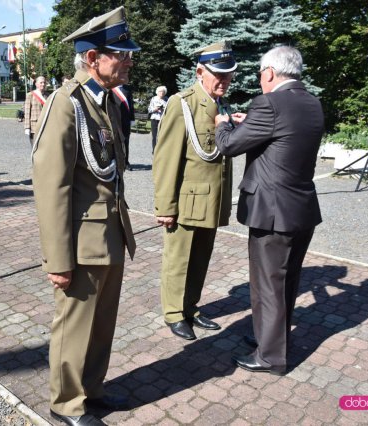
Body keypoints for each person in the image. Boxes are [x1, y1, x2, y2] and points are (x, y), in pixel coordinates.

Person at [32, 7, 139, 426]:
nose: (129, 61)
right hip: (80, 241)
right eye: (121, 54)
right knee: (74, 325)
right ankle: (65, 403)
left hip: (108, 233)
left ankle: (91, 389)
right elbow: (51, 185)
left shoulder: (106, 101)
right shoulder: (66, 104)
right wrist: (58, 260)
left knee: (101, 324)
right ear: (92, 59)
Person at [215, 46, 324, 375]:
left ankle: (270, 357)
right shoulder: (311, 102)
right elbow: (285, 138)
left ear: (269, 74)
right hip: (301, 210)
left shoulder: (269, 103)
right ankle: (272, 339)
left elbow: (228, 146)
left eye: (261, 74)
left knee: (268, 283)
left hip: (272, 212)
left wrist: (223, 123)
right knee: (287, 281)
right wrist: (251, 123)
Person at [152, 41, 236, 341]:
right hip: (187, 202)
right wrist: (165, 207)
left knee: (200, 258)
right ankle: (174, 312)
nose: (225, 81)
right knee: (179, 259)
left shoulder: (221, 104)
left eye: (229, 75)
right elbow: (165, 159)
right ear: (200, 71)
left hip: (211, 201)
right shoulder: (182, 103)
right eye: (219, 75)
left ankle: (190, 306)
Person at [112, 84, 134, 170]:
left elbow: (131, 104)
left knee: (126, 142)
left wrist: (132, 119)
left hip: (125, 120)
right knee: (114, 141)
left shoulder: (127, 88)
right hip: (114, 119)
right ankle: (115, 161)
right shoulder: (110, 88)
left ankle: (126, 162)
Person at [23, 76, 47, 146]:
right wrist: (27, 127)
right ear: (36, 84)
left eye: (44, 82)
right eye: (41, 82)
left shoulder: (48, 95)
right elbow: (27, 112)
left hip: (46, 126)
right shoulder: (30, 95)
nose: (43, 84)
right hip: (34, 127)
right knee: (35, 148)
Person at [147, 86, 167, 153]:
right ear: (157, 92)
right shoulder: (153, 99)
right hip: (154, 119)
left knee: (162, 135)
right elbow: (149, 110)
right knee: (154, 136)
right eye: (160, 91)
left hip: (163, 120)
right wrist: (155, 109)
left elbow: (169, 110)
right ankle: (154, 150)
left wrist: (163, 109)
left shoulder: (166, 99)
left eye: (163, 92)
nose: (161, 93)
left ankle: (161, 150)